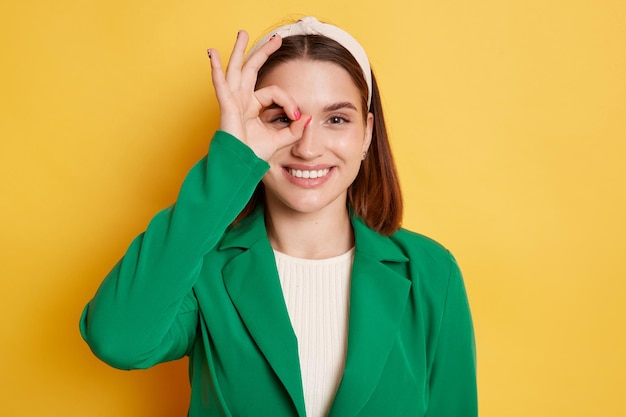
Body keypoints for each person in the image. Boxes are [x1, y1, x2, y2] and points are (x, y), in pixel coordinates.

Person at [80, 16, 477, 417]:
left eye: (336, 119)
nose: (307, 148)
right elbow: (118, 338)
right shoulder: (205, 270)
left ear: (367, 134)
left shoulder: (431, 272)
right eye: (282, 118)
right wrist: (232, 159)